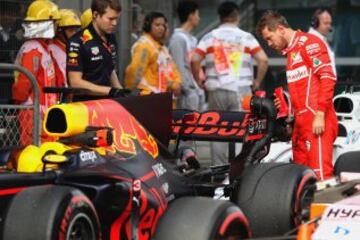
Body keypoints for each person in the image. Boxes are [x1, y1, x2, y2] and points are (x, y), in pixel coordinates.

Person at [256, 10, 338, 180]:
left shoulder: (309, 43)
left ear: (280, 28)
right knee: (301, 181)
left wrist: (320, 114)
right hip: (300, 126)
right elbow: (304, 89)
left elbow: (328, 77)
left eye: (269, 38)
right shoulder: (291, 53)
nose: (269, 44)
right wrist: (288, 108)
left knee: (320, 179)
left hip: (317, 122)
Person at [191, 1, 268, 165]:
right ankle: (239, 169)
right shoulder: (247, 38)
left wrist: (198, 80)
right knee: (242, 129)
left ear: (220, 17)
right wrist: (257, 82)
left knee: (217, 129)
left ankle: (219, 170)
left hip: (216, 90)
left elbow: (195, 59)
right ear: (237, 16)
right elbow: (263, 60)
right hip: (242, 91)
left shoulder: (209, 37)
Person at [12, 0, 60, 145]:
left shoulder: (41, 47)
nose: (56, 26)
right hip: (32, 110)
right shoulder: (33, 48)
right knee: (31, 149)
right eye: (54, 23)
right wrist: (22, 104)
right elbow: (25, 81)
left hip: (42, 111)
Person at [66, 0, 123, 101]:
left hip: (108, 103)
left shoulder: (111, 38)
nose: (114, 23)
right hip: (84, 106)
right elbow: (75, 82)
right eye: (110, 19)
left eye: (116, 19)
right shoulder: (77, 41)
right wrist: (110, 91)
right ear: (95, 15)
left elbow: (110, 70)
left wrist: (121, 93)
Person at [125, 12, 181, 97]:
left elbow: (172, 69)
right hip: (148, 96)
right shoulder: (144, 45)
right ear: (148, 26)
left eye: (163, 25)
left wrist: (176, 84)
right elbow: (135, 71)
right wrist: (128, 91)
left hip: (161, 96)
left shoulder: (162, 48)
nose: (161, 28)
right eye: (157, 25)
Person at [169, 0, 204, 111]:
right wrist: (187, 88)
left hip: (195, 88)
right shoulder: (178, 38)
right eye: (197, 14)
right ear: (190, 15)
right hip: (187, 93)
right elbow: (178, 65)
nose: (199, 18)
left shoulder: (192, 39)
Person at [49, 9, 81, 88]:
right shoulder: (53, 49)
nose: (75, 34)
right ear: (59, 32)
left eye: (76, 30)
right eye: (71, 30)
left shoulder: (69, 47)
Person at [308, 7, 336, 75]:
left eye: (330, 23)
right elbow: (319, 69)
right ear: (315, 23)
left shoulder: (321, 38)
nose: (329, 26)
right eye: (326, 23)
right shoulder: (312, 41)